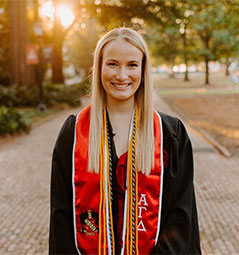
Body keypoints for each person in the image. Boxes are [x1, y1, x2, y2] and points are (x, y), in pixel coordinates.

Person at [49, 27, 201, 255]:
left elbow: (180, 217)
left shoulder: (170, 134)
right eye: (112, 64)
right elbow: (61, 219)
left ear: (143, 70)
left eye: (131, 65)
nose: (121, 75)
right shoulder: (74, 133)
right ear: (99, 67)